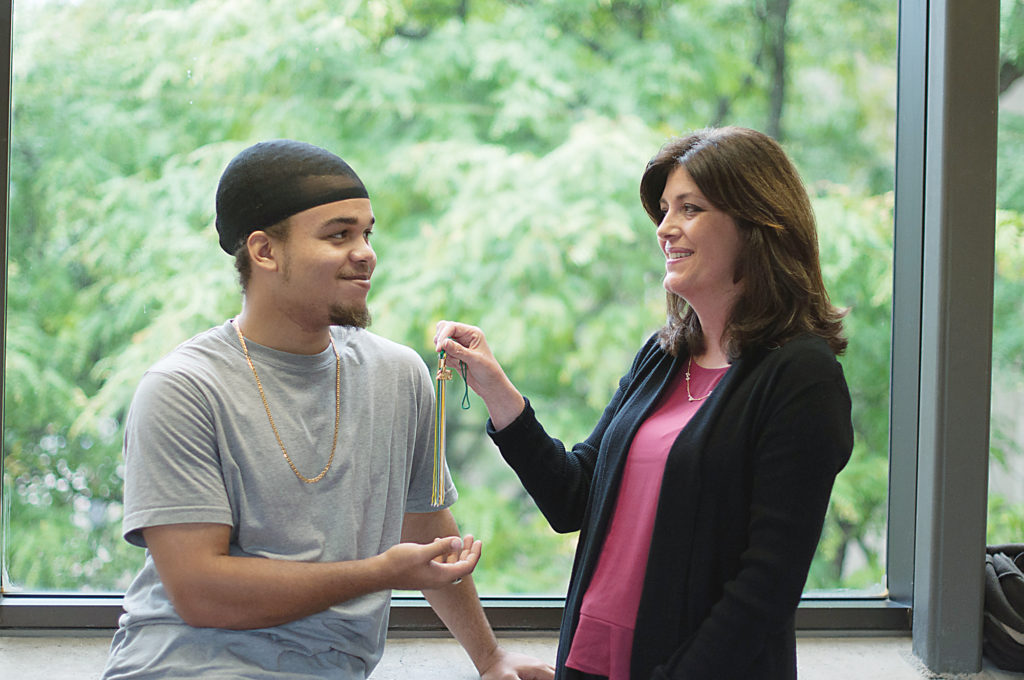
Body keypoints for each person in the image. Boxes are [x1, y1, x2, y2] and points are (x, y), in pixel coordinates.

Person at [102, 139, 556, 680]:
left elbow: (424, 525)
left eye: (366, 233)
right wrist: (376, 573)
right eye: (338, 235)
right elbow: (201, 592)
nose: (366, 252)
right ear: (265, 252)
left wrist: (490, 657)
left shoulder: (399, 373)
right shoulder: (183, 389)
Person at [434, 127, 854, 680]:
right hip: (590, 660)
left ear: (756, 224)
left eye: (690, 208)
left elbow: (766, 586)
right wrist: (496, 389)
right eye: (663, 210)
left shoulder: (801, 376)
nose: (665, 228)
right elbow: (574, 498)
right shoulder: (662, 357)